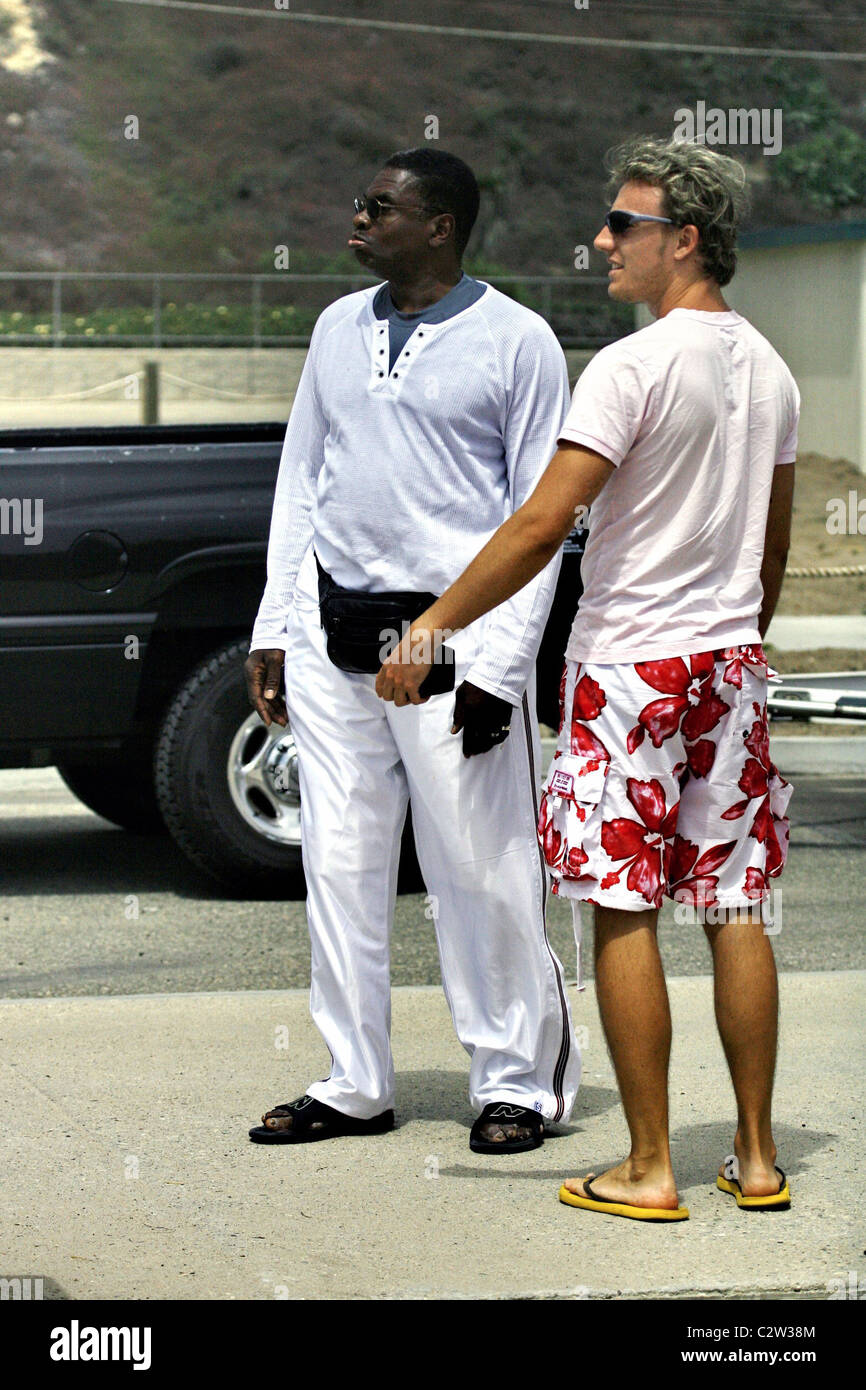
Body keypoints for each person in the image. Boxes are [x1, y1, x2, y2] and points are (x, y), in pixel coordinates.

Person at [375, 136, 799, 1219]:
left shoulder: (631, 365)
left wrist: (432, 627)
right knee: (736, 904)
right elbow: (770, 547)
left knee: (621, 911)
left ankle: (650, 1165)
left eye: (624, 225)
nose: (603, 240)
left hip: (628, 669)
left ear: (683, 240)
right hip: (728, 664)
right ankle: (753, 1159)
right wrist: (730, 642)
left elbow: (538, 521)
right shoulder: (770, 367)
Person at [245, 147, 580, 1151]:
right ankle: (353, 1079)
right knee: (338, 866)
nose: (357, 219)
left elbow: (540, 520)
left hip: (454, 642)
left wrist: (498, 666)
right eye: (359, 204)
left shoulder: (517, 342)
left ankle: (515, 1081)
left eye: (378, 207)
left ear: (439, 226)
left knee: (480, 869)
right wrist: (273, 621)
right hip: (333, 633)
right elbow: (302, 476)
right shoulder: (335, 328)